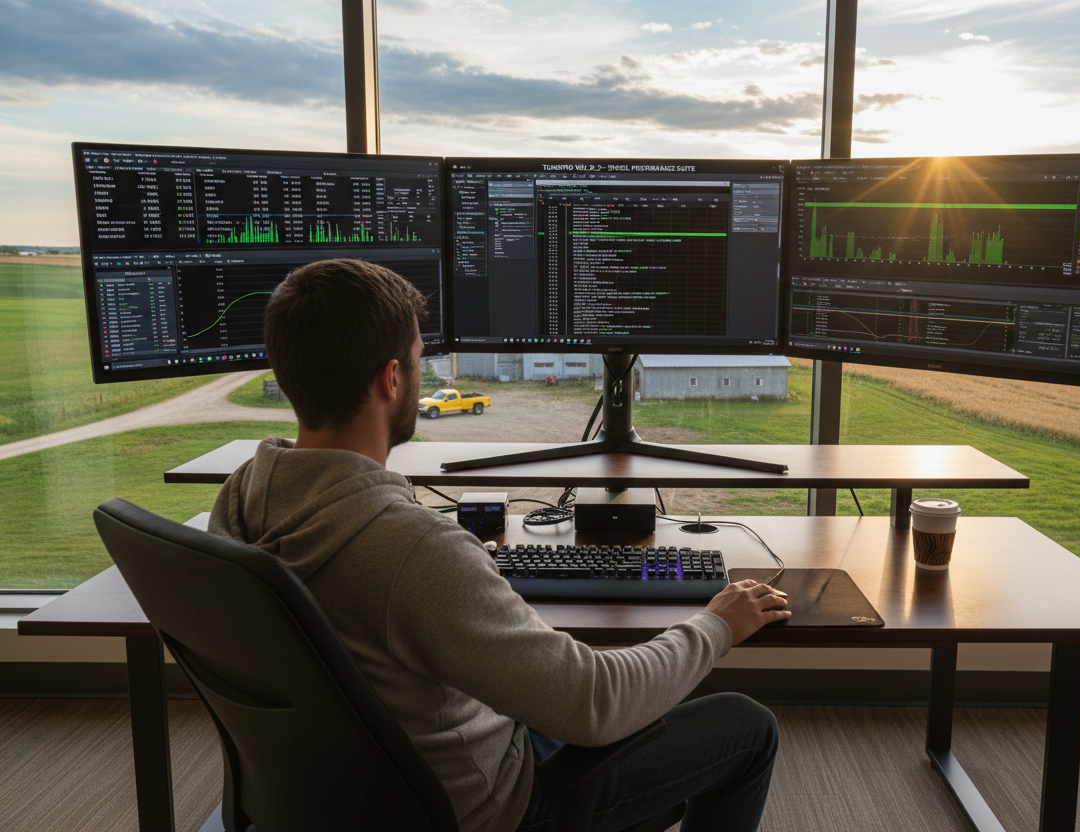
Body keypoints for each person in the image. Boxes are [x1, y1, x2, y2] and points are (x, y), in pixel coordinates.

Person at [208, 259, 791, 832]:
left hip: (333, 790)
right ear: (391, 379)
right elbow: (597, 702)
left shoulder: (242, 498)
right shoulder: (415, 549)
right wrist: (717, 624)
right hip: (478, 804)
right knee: (746, 726)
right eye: (417, 361)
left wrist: (467, 576)